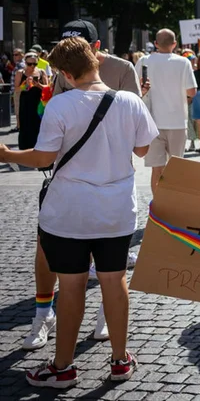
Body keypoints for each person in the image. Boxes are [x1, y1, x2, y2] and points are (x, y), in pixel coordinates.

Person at [0, 37, 158, 388]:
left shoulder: (60, 105)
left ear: (66, 73)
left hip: (69, 211)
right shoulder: (130, 100)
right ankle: (120, 359)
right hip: (116, 208)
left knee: (70, 288)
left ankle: (63, 367)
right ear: (95, 62)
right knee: (115, 281)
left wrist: (8, 155)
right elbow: (143, 147)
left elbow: (43, 159)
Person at [27, 20, 146, 350]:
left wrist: (9, 152)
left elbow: (134, 130)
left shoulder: (123, 70)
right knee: (49, 252)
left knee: (96, 277)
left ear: (95, 49)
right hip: (69, 181)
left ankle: (73, 352)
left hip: (100, 187)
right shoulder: (61, 75)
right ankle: (43, 314)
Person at [143, 29, 197, 195]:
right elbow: (192, 91)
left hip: (151, 122)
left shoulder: (145, 61)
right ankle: (175, 203)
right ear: (175, 44)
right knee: (176, 169)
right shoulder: (183, 62)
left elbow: (137, 87)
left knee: (156, 169)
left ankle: (158, 204)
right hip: (177, 121)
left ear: (156, 44)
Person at [15, 52, 49, 150]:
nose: (32, 66)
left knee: (38, 124)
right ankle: (24, 148)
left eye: (35, 64)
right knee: (25, 124)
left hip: (38, 103)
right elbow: (16, 89)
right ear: (25, 63)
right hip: (25, 102)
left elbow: (47, 87)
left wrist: (38, 85)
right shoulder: (20, 73)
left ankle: (38, 146)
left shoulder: (42, 72)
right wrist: (25, 85)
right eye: (30, 64)